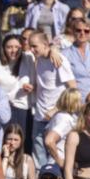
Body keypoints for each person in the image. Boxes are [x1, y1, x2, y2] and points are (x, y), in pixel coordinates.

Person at [27, 31, 76, 168]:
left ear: (44, 45)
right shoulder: (37, 59)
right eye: (30, 46)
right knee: (38, 158)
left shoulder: (58, 59)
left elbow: (72, 88)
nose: (31, 50)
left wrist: (56, 109)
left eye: (34, 46)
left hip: (56, 117)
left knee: (55, 157)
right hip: (39, 116)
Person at [62, 17, 90, 101]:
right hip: (75, 101)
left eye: (86, 31)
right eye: (78, 30)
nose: (82, 33)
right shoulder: (65, 54)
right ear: (73, 32)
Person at [44, 88, 83, 168]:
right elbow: (49, 141)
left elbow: (46, 132)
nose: (81, 103)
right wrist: (59, 161)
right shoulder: (65, 119)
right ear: (73, 102)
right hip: (58, 163)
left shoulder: (58, 115)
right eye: (79, 101)